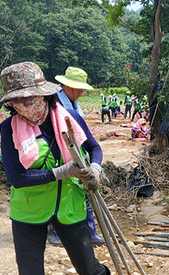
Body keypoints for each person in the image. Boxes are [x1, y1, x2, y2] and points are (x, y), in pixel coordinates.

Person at [0, 62, 124, 275]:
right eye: (17, 100)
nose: (25, 105)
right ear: (11, 103)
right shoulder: (9, 128)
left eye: (29, 98)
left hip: (69, 205)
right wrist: (63, 171)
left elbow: (94, 148)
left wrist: (96, 168)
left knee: (87, 267)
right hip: (28, 213)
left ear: (43, 94)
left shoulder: (66, 118)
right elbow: (17, 177)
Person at [52, 66, 105, 246]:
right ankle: (54, 232)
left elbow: (90, 142)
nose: (82, 92)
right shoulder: (55, 104)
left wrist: (95, 168)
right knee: (57, 194)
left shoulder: (74, 105)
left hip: (78, 153)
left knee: (85, 191)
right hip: (58, 155)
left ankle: (90, 232)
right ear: (68, 86)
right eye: (79, 88)